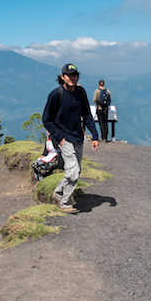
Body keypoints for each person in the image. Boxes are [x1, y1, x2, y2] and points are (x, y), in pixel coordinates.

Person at [42, 64, 100, 214]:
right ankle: (65, 202)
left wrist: (95, 135)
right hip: (63, 137)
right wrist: (59, 138)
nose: (72, 78)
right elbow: (46, 119)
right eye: (69, 75)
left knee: (76, 170)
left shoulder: (81, 92)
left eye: (74, 75)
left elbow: (87, 114)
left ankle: (59, 193)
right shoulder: (56, 94)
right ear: (62, 77)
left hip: (77, 137)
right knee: (72, 171)